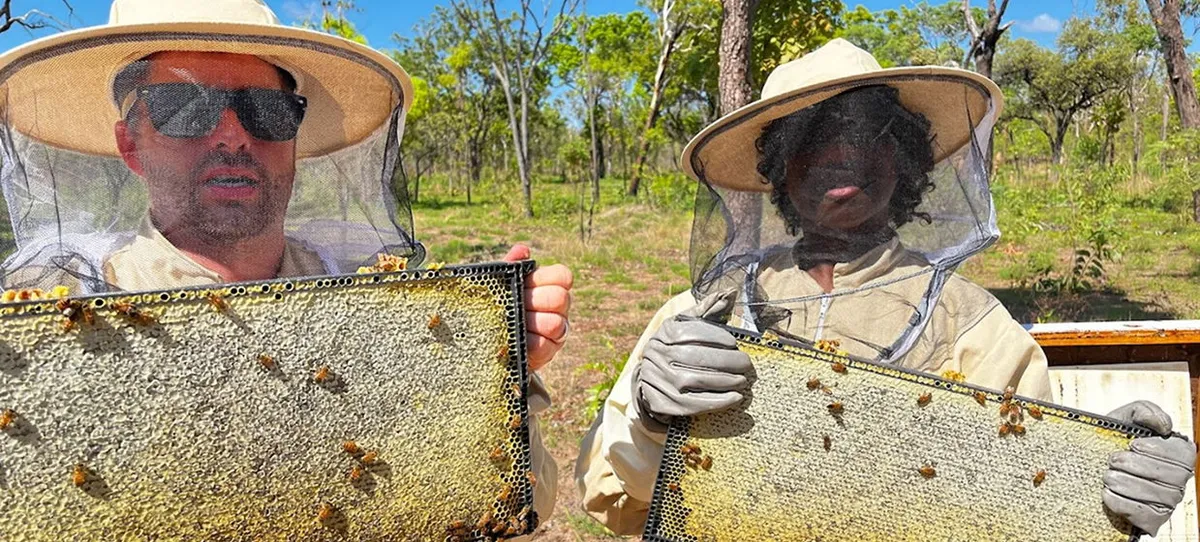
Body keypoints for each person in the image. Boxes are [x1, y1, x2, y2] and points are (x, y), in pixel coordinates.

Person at [576, 38, 1195, 536]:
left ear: (903, 157)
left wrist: (1092, 482)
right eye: (810, 139)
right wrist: (651, 424)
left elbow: (1018, 507)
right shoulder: (703, 310)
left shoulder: (974, 325)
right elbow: (611, 499)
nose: (838, 155)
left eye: (864, 134)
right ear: (778, 171)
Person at [0, 0, 571, 531]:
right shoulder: (44, 324)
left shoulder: (383, 306)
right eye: (185, 108)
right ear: (131, 145)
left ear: (293, 137)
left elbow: (513, 504)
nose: (232, 135)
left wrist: (498, 374)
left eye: (266, 112)